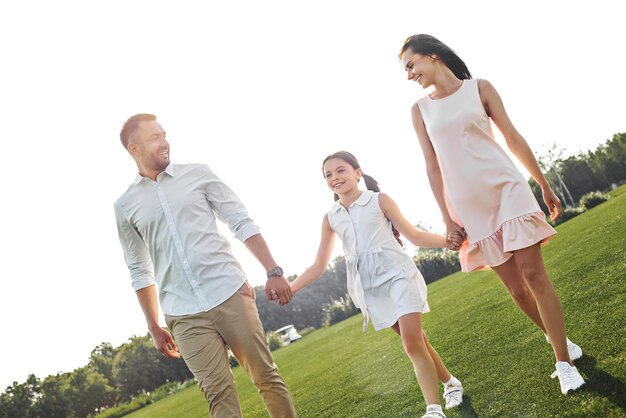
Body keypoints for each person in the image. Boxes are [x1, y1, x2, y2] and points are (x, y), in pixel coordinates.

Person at [399, 34, 585, 395]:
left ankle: (564, 363)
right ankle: (558, 339)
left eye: (410, 65)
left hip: (507, 189)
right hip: (469, 207)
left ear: (432, 56)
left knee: (534, 274)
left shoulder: (480, 88)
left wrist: (542, 184)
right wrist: (446, 217)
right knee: (516, 291)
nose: (408, 74)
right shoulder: (419, 110)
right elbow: (432, 167)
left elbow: (512, 137)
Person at [114, 113, 298, 418]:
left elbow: (239, 221)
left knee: (266, 378)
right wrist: (153, 325)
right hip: (183, 313)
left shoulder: (198, 174)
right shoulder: (125, 206)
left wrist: (273, 270)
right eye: (155, 137)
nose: (165, 142)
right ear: (134, 149)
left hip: (228, 291)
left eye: (164, 134)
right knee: (217, 395)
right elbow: (138, 268)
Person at [284, 151, 464, 418]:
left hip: (398, 274)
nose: (335, 177)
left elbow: (413, 235)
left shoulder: (379, 200)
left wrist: (447, 240)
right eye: (328, 175)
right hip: (368, 287)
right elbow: (319, 266)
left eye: (340, 170)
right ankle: (450, 383)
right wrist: (291, 288)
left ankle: (433, 410)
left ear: (357, 173)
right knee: (416, 341)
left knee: (412, 343)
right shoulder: (330, 217)